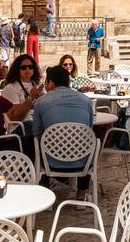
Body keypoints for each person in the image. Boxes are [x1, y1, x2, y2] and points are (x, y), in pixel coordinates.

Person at [32, 65, 96, 199]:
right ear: (68, 82)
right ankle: (81, 193)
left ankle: (45, 193)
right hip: (82, 161)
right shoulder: (86, 100)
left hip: (51, 160)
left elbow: (36, 133)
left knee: (35, 144)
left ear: (51, 83)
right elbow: (89, 128)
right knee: (93, 144)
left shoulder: (41, 101)